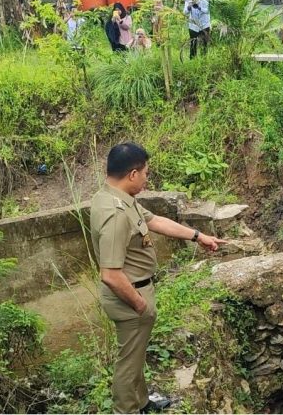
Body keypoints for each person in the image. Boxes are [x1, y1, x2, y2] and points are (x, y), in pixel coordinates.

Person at [90, 143, 226, 413]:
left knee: (135, 354)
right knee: (128, 364)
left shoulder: (112, 197)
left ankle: (140, 402)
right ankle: (126, 410)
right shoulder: (116, 215)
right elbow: (110, 275)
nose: (147, 179)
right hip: (129, 297)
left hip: (135, 292)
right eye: (145, 173)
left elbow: (155, 222)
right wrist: (140, 305)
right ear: (132, 174)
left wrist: (198, 237)